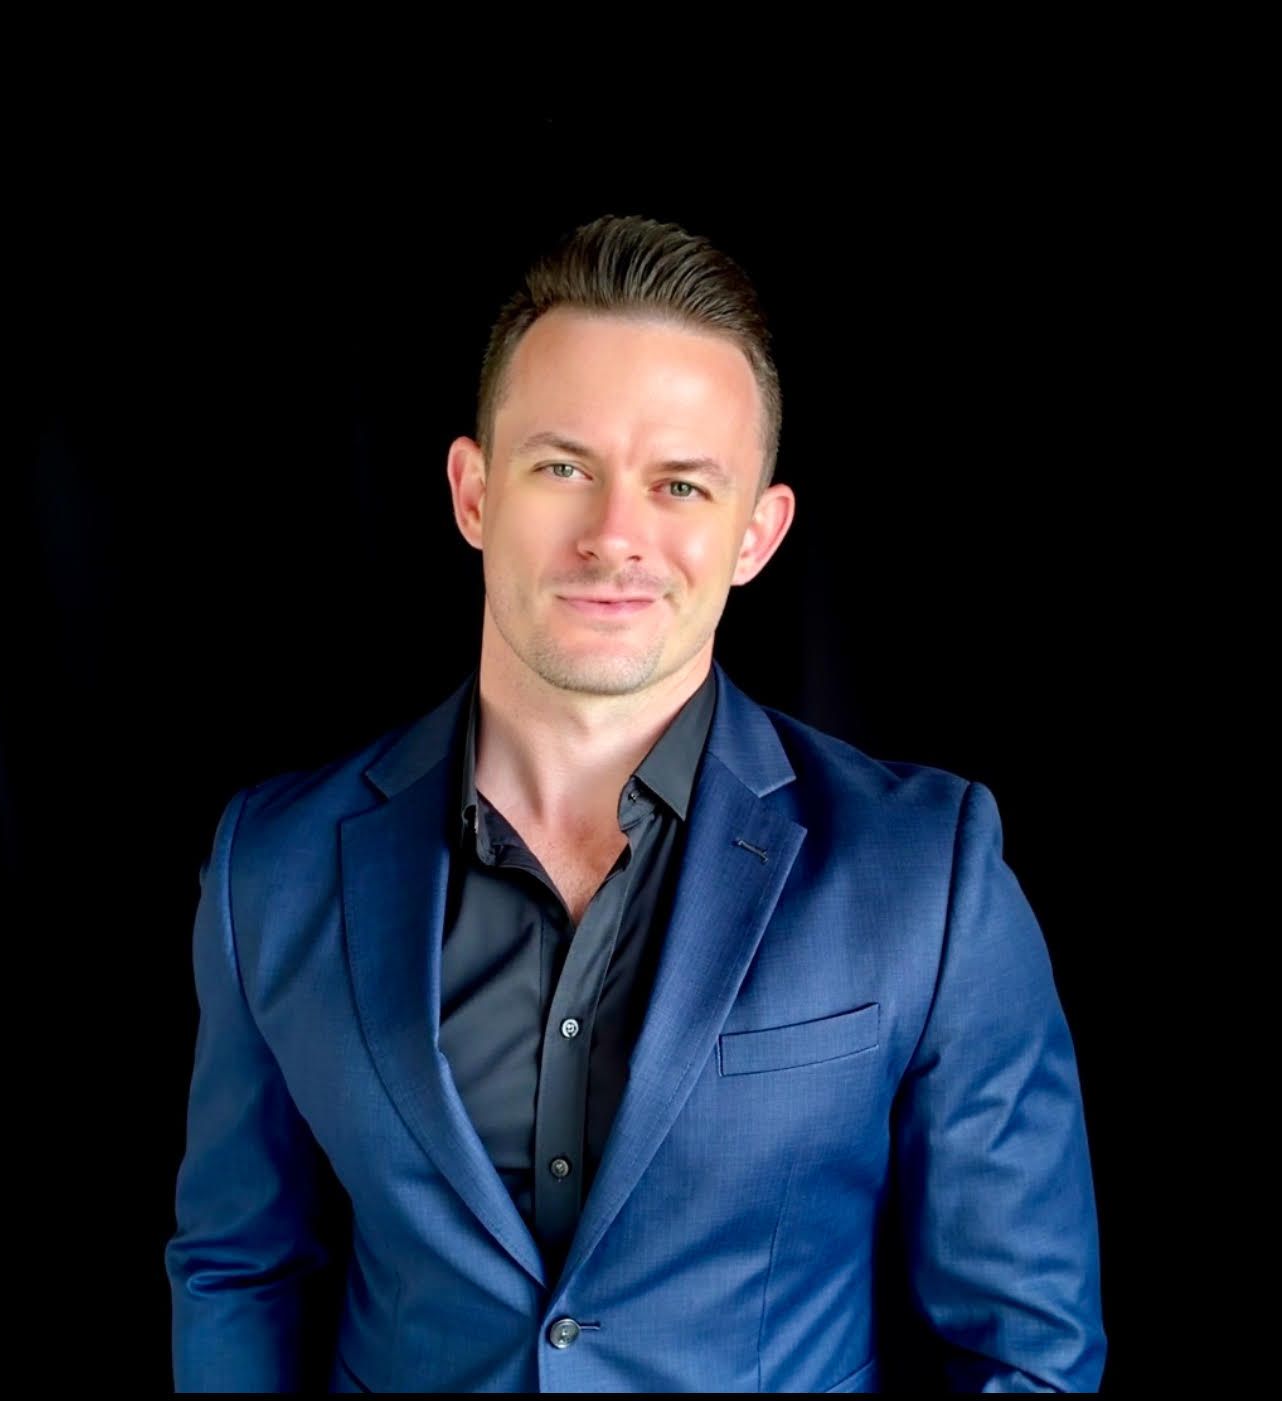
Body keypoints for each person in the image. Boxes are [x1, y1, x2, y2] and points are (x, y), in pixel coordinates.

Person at [166, 214, 1105, 1393]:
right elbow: (238, 1273)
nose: (617, 536)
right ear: (472, 492)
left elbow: (1028, 1351)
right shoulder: (273, 867)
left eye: (681, 485)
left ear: (755, 535)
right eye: (564, 466)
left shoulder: (929, 873)